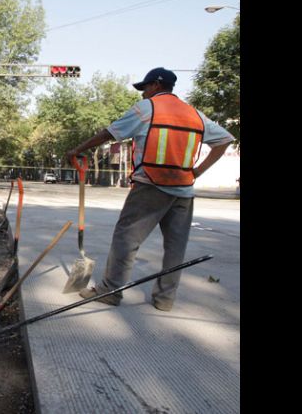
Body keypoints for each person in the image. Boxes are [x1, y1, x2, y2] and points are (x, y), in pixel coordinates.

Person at [65, 67, 234, 311]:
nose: (143, 94)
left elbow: (110, 133)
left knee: (126, 238)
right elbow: (224, 139)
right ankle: (165, 299)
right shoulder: (195, 114)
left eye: (144, 88)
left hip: (151, 186)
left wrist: (77, 149)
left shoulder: (148, 109)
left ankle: (110, 291)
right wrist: (197, 172)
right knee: (175, 247)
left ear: (156, 85)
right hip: (183, 190)